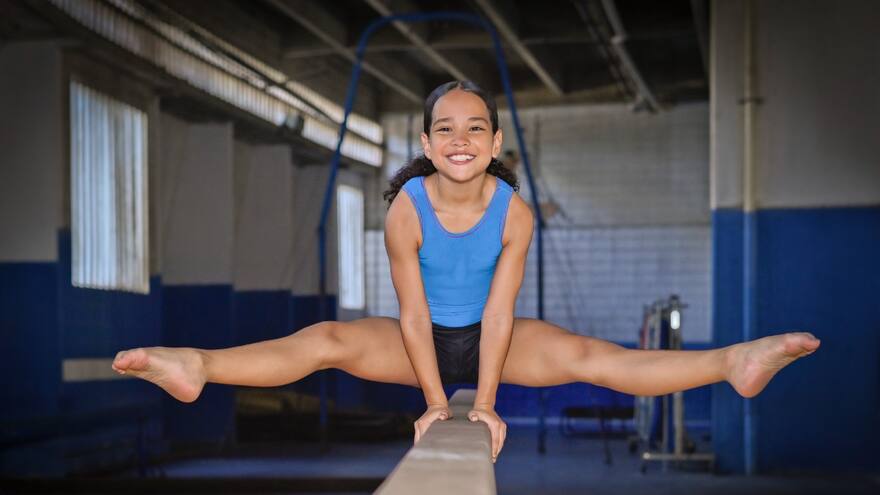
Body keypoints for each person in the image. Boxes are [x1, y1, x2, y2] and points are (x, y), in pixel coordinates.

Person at [112, 80, 821, 464]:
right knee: (327, 336)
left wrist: (482, 403)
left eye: (475, 126)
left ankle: (734, 360)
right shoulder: (406, 210)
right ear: (425, 143)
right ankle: (198, 364)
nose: (460, 139)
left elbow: (503, 315)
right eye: (445, 128)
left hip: (494, 336)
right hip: (420, 338)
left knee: (592, 357)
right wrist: (432, 398)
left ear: (495, 140)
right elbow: (415, 316)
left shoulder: (514, 213)